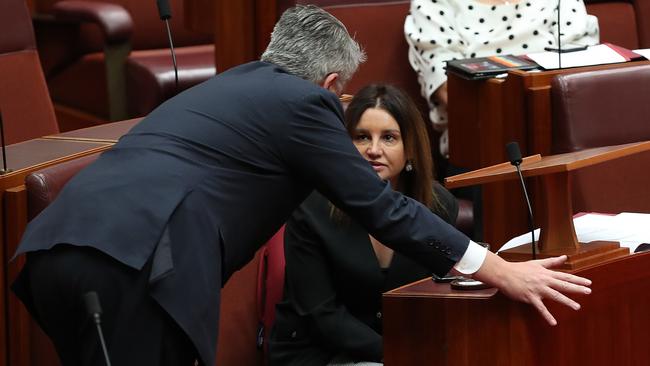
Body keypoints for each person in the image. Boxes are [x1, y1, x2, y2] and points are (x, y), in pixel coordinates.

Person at [12, 5, 590, 366]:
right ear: (332, 82)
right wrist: (497, 268)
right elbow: (381, 209)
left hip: (52, 250)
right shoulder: (303, 101)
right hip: (134, 267)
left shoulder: (233, 86)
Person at [269, 84, 461, 365]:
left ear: (410, 148)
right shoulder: (311, 206)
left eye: (389, 138)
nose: (373, 150)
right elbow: (322, 313)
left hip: (403, 351)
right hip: (320, 352)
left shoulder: (439, 206)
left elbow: (437, 300)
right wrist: (395, 356)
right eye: (361, 137)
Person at [404, 0, 599, 158]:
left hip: (564, 144)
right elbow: (452, 91)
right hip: (484, 153)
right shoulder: (434, 3)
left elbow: (580, 80)